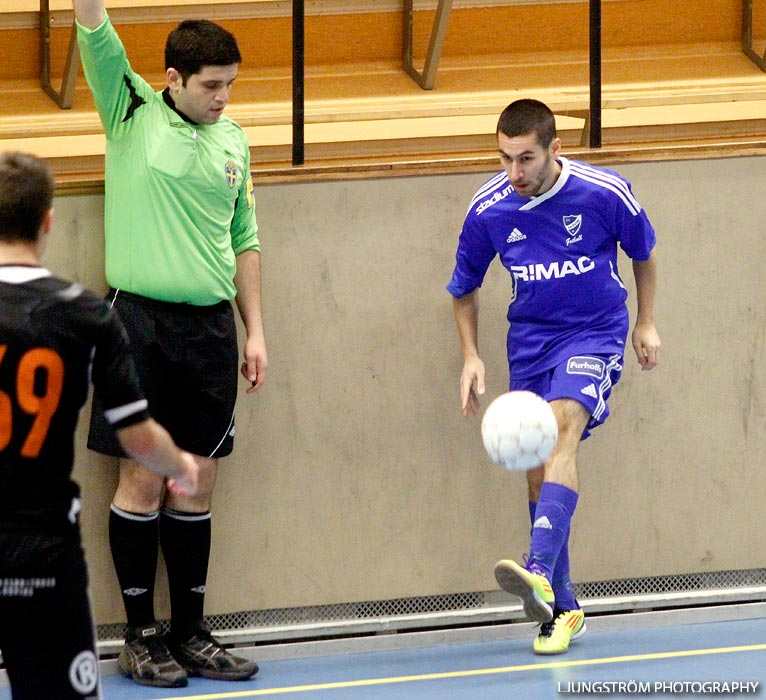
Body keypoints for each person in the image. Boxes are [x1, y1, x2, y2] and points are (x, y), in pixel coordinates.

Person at [73, 0, 267, 687]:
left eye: (230, 84)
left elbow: (244, 238)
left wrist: (256, 329)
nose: (222, 97)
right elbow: (93, 27)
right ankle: (139, 636)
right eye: (211, 85)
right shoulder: (131, 112)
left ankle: (191, 633)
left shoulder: (235, 140)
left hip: (211, 328)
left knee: (197, 475)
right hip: (138, 324)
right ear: (173, 79)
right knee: (144, 476)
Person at [447, 99, 660, 656]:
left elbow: (643, 253)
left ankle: (537, 568)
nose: (513, 173)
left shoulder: (603, 192)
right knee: (537, 472)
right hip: (531, 342)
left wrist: (647, 322)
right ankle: (563, 609)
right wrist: (471, 355)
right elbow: (463, 288)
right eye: (504, 158)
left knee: (564, 427)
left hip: (594, 332)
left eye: (525, 159)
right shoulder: (489, 208)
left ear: (554, 150)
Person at [0, 151, 199, 700]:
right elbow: (137, 435)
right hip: (43, 550)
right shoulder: (84, 313)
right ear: (47, 220)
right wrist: (179, 465)